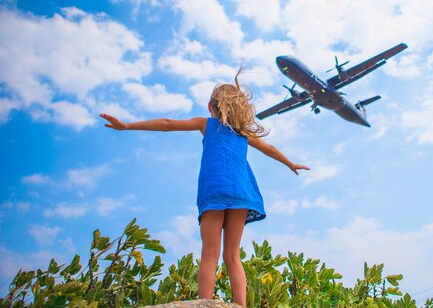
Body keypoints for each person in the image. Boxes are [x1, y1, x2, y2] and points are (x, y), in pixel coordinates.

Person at [100, 72, 309, 306]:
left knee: (210, 253)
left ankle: (205, 302)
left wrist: (127, 125)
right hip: (242, 193)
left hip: (215, 191)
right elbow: (268, 148)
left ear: (212, 105)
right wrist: (290, 163)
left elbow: (168, 125)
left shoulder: (206, 124)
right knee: (233, 255)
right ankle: (239, 305)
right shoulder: (243, 133)